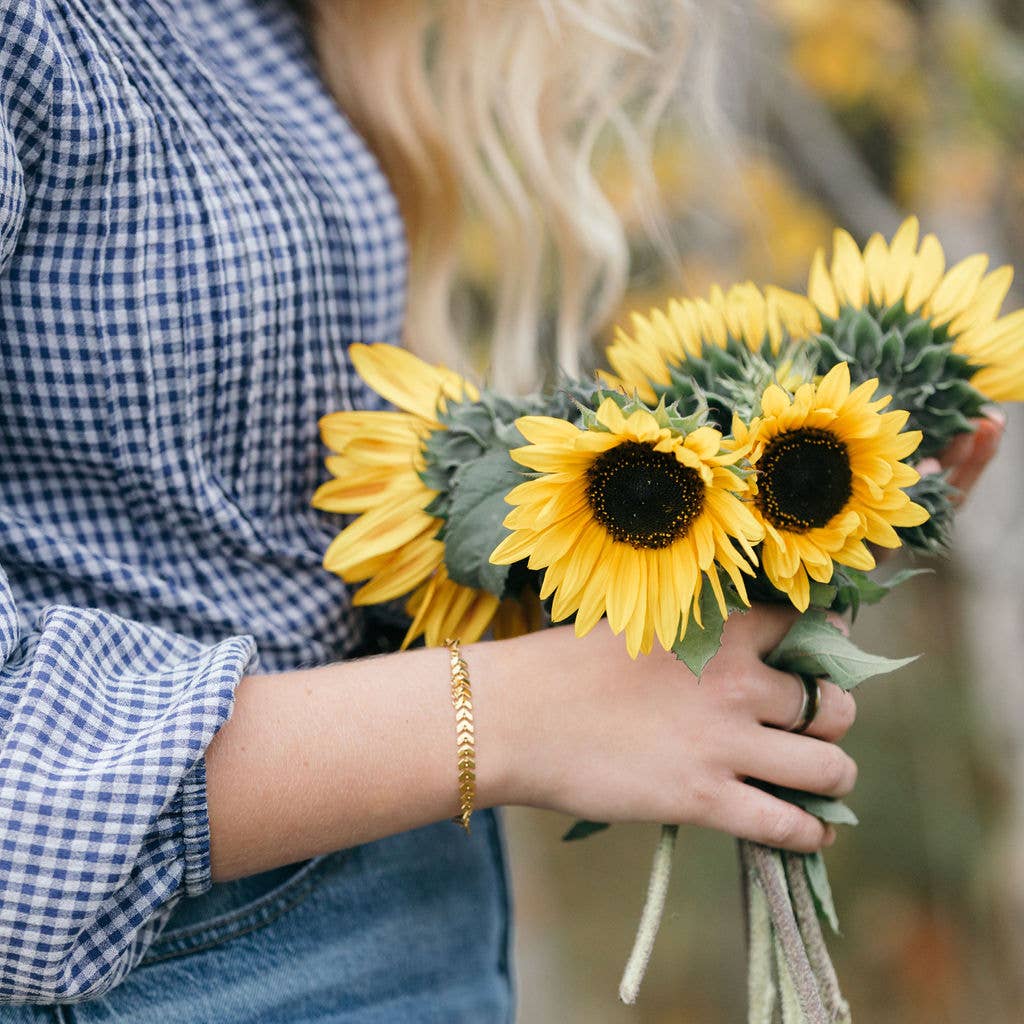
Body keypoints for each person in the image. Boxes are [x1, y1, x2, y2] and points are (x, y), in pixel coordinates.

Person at [0, 0, 1003, 1020]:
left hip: (407, 915)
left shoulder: (246, 20)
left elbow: (225, 533)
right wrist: (524, 712)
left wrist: (750, 548)